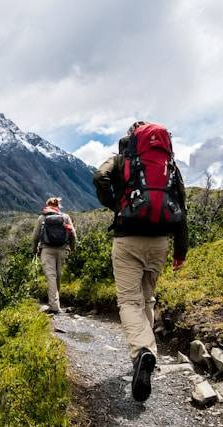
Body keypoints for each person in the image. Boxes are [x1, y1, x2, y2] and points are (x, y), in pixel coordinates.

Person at [93, 121, 188, 402]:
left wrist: (116, 204)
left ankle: (143, 352)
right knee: (147, 300)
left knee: (129, 302)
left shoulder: (122, 159)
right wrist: (180, 251)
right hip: (160, 241)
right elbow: (181, 205)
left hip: (128, 239)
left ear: (132, 137)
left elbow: (100, 177)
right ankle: (145, 355)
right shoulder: (168, 165)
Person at [31, 197, 77, 314]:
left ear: (47, 205)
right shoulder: (65, 217)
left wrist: (34, 250)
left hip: (46, 250)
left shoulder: (42, 217)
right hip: (62, 250)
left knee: (51, 276)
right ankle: (56, 303)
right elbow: (73, 234)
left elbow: (35, 236)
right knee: (58, 275)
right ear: (59, 206)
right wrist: (72, 248)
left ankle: (54, 306)